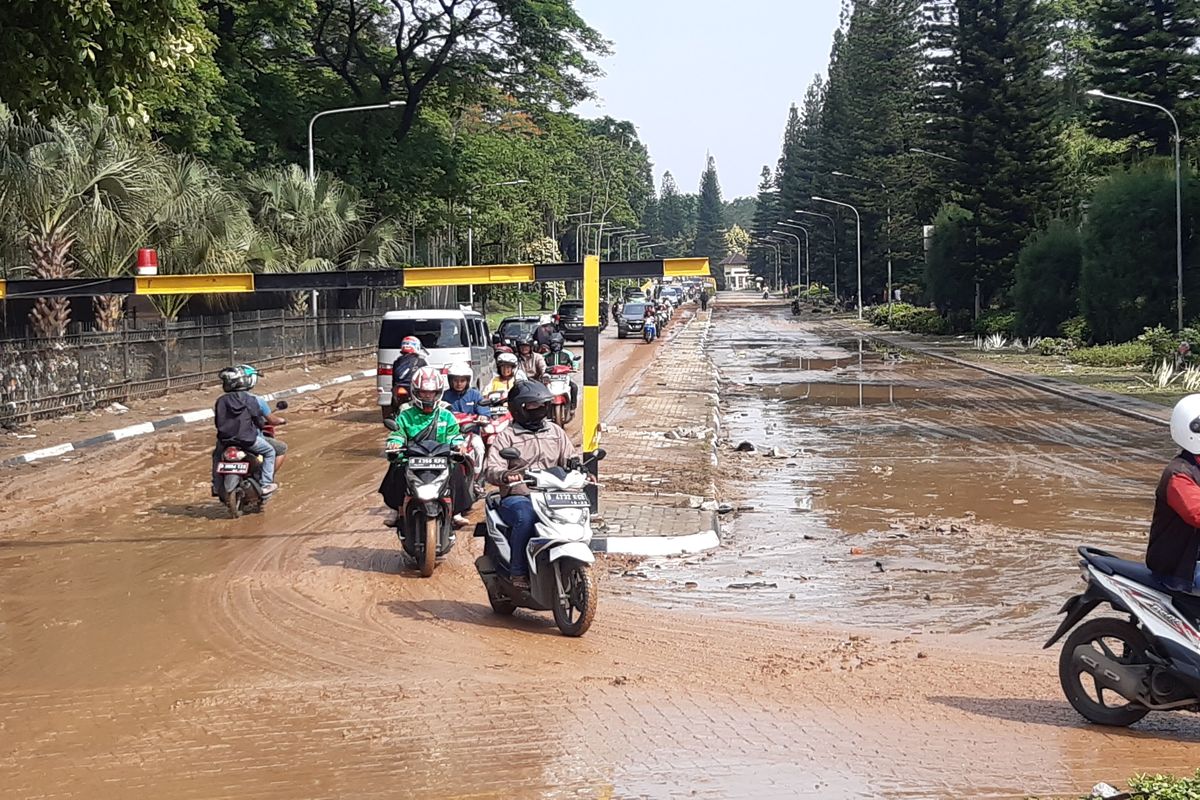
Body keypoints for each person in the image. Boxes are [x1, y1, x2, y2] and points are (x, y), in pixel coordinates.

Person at [483, 380, 577, 591]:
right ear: (518, 409)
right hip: (519, 497)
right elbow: (491, 469)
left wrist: (579, 468)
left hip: (552, 495)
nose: (538, 410)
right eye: (532, 406)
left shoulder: (555, 431)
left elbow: (570, 457)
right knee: (526, 517)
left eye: (541, 405)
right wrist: (505, 475)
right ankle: (518, 571)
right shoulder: (507, 436)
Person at [379, 366, 471, 528]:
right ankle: (397, 509)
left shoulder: (446, 415)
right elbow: (398, 434)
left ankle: (456, 512)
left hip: (440, 458)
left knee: (456, 470)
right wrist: (395, 444)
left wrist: (458, 445)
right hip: (412, 458)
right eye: (423, 392)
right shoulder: (406, 414)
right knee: (397, 469)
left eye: (431, 392)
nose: (428, 396)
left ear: (438, 392)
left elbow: (454, 435)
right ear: (416, 392)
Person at [212, 364, 284, 496]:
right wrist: (261, 424)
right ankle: (266, 484)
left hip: (225, 441)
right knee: (269, 451)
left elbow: (218, 421)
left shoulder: (220, 401)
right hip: (248, 440)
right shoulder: (251, 399)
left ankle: (216, 485)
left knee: (216, 456)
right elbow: (258, 419)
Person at [543, 332, 579, 410]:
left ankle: (572, 407)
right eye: (553, 343)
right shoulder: (545, 356)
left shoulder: (568, 354)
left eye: (557, 343)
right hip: (550, 378)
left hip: (564, 377)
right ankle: (542, 408)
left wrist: (575, 367)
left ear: (561, 343)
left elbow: (574, 361)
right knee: (540, 388)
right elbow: (541, 365)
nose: (555, 346)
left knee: (574, 387)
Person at [391, 336, 427, 407]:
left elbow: (394, 380)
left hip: (398, 388)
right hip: (413, 389)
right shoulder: (421, 361)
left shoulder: (397, 362)